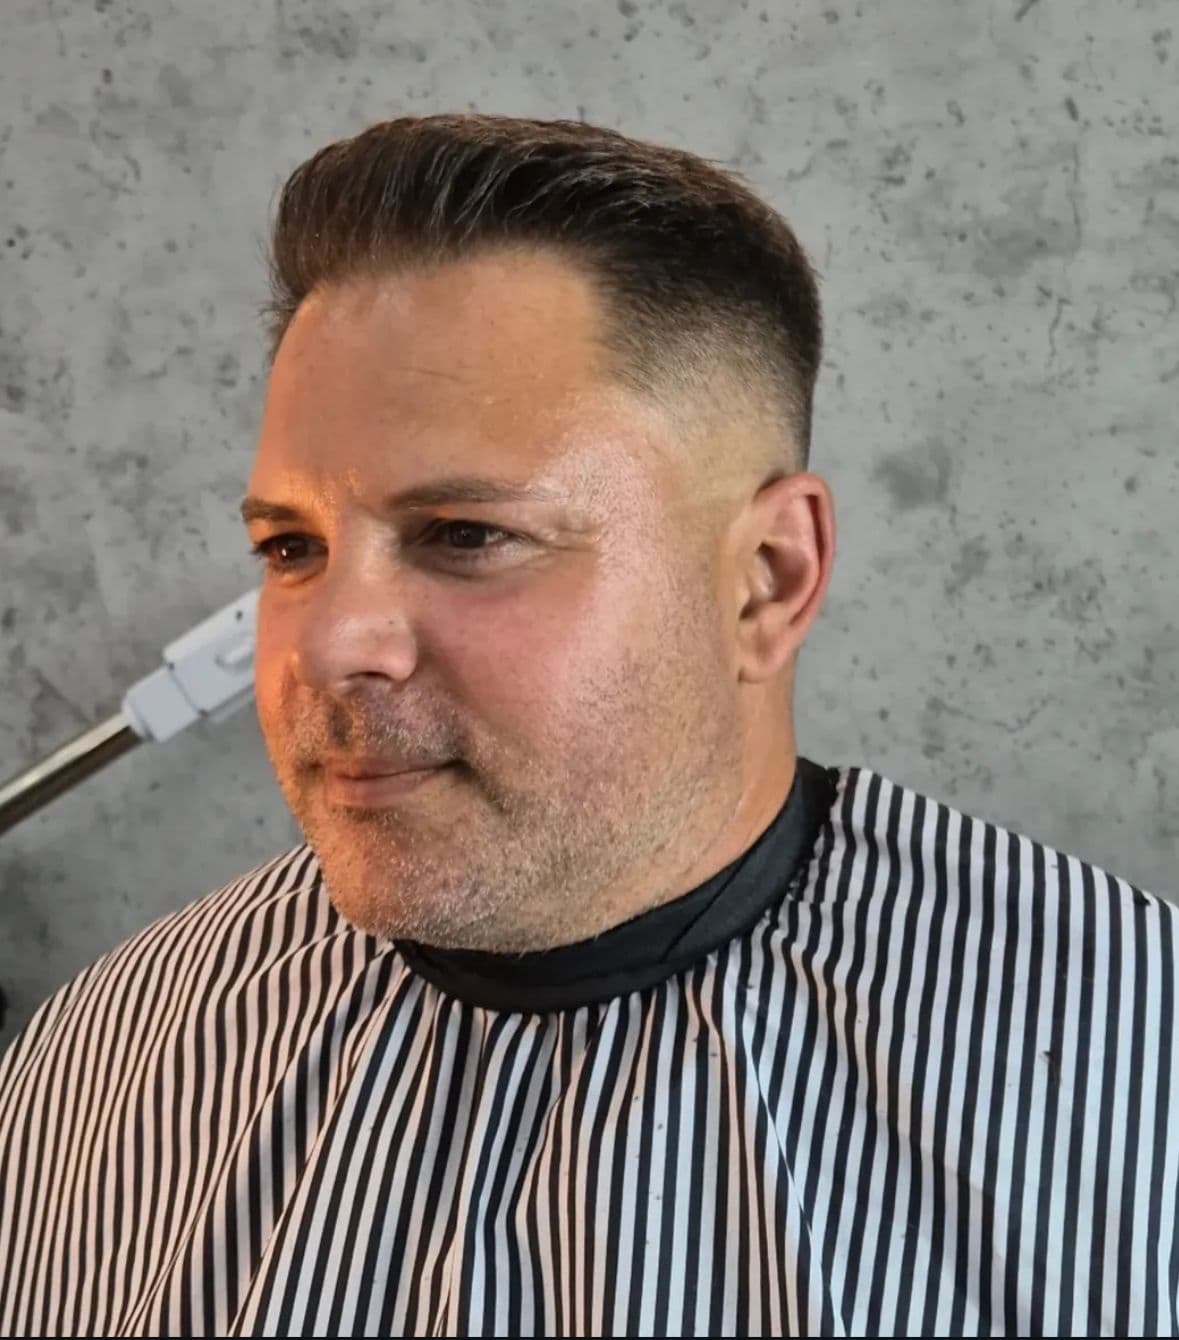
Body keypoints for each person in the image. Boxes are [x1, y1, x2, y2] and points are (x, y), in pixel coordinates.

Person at [0, 113, 1174, 1340]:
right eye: (292, 547)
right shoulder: (102, 1064)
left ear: (766, 579)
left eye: (465, 533)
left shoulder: (1139, 1081)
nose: (329, 639)